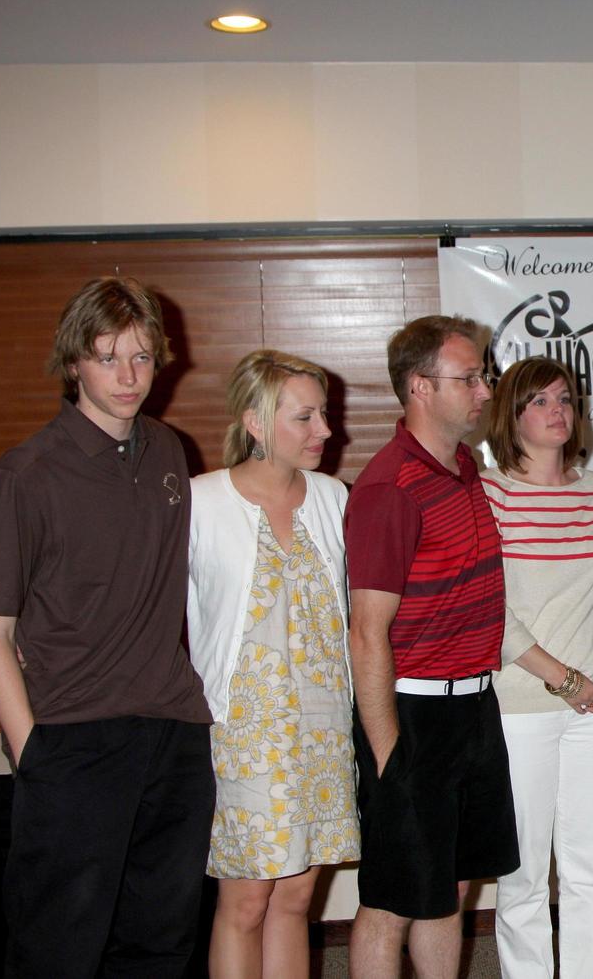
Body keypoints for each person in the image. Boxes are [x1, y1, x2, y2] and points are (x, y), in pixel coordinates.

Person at [0, 277, 214, 976]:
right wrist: (34, 755)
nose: (128, 376)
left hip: (172, 735)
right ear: (74, 361)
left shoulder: (170, 451)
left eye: (141, 357)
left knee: (162, 945)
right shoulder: (28, 473)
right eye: (108, 357)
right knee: (59, 951)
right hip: (73, 741)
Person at [345, 315, 520, 979]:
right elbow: (367, 630)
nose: (483, 390)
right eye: (468, 377)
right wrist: (390, 758)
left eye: (483, 375)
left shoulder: (463, 466)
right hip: (411, 715)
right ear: (420, 386)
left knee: (451, 886)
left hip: (471, 706)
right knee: (392, 900)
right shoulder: (391, 487)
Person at [188, 350, 358, 978]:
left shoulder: (332, 497)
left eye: (325, 415)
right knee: (246, 899)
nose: (325, 431)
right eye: (305, 417)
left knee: (295, 898)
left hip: (322, 726)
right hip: (245, 731)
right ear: (256, 422)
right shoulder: (203, 502)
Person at [481, 356, 593, 979]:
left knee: (588, 873)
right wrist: (562, 677)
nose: (558, 411)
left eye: (566, 399)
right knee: (521, 878)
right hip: (522, 707)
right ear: (510, 415)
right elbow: (489, 610)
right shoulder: (488, 493)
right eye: (540, 401)